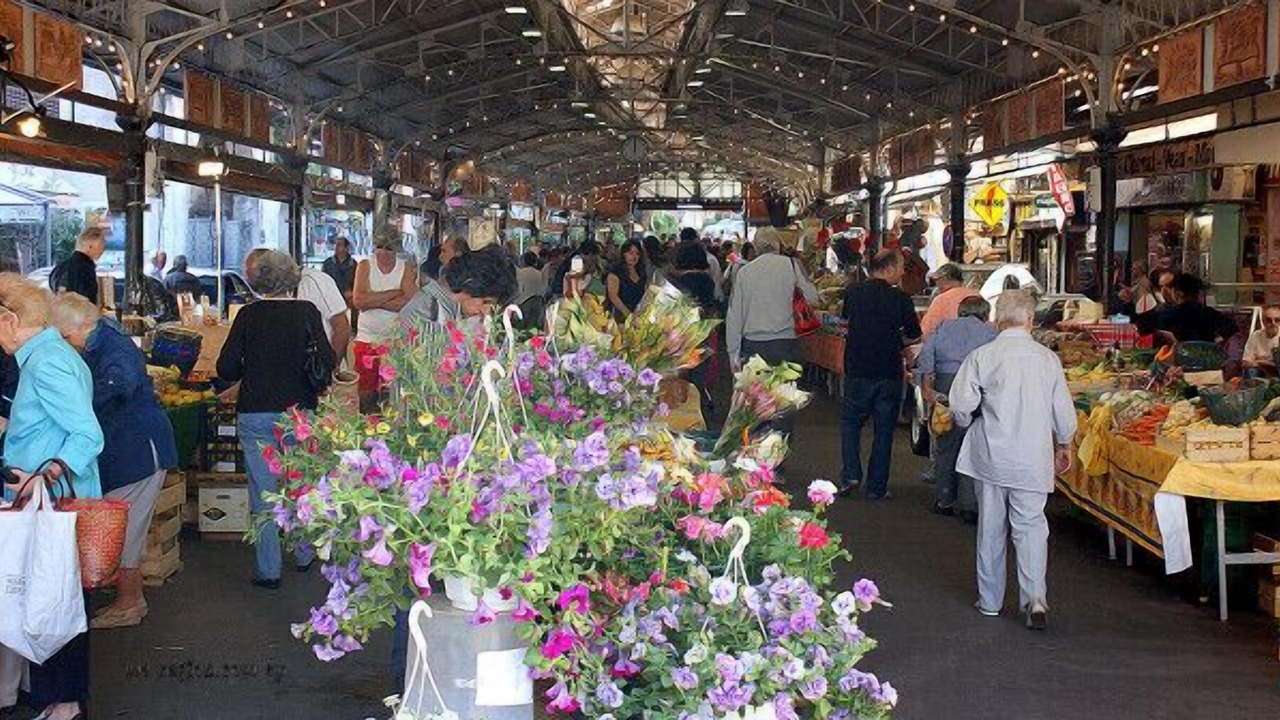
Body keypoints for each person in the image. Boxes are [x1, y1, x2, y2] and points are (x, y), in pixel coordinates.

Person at [0, 273, 103, 720]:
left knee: (50, 597)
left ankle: (63, 703)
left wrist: (46, 471)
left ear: (8, 319)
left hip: (51, 502)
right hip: (49, 501)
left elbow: (87, 434)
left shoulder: (47, 363)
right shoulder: (49, 354)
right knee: (52, 595)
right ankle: (59, 700)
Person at [950, 290, 1077, 630]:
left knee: (991, 528)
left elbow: (960, 405)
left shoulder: (983, 356)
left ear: (996, 320)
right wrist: (1064, 444)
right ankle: (1034, 598)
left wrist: (968, 422)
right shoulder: (1047, 359)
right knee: (1031, 528)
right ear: (1030, 320)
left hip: (991, 455)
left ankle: (990, 601)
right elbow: (1063, 413)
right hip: (1033, 457)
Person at [50, 293, 177, 629]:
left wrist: (76, 408)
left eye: (64, 337)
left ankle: (130, 603)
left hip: (138, 449)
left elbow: (117, 385)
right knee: (124, 528)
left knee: (125, 531)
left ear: (80, 326)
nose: (65, 345)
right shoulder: (98, 339)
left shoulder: (114, 347)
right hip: (126, 448)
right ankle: (129, 600)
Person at [217, 251, 333, 590]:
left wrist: (252, 366)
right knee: (299, 484)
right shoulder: (307, 313)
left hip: (255, 411)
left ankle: (268, 570)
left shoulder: (248, 316)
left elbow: (226, 368)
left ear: (258, 280)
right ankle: (302, 553)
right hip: (299, 412)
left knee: (263, 492)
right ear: (292, 279)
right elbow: (325, 359)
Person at [839, 249, 922, 500]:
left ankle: (851, 474)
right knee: (884, 429)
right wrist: (895, 339)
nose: (902, 272)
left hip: (857, 367)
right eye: (900, 267)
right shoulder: (901, 299)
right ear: (887, 269)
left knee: (851, 424)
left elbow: (844, 326)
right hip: (887, 371)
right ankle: (877, 486)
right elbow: (915, 335)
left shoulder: (853, 293)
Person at [916, 296, 996, 521]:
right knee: (975, 444)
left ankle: (945, 499)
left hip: (945, 385)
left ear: (960, 311)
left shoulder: (942, 328)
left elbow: (926, 357)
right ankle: (970, 505)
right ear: (985, 314)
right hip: (978, 389)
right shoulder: (991, 333)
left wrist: (927, 388)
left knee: (946, 443)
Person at [246, 249, 351, 365]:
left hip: (320, 370)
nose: (256, 283)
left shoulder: (315, 281)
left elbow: (341, 326)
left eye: (258, 275)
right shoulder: (272, 293)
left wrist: (331, 367)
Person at [353, 233, 418, 410]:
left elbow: (411, 303)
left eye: (388, 248)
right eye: (379, 247)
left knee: (390, 389)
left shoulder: (405, 268)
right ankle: (366, 423)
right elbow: (358, 301)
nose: (383, 252)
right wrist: (395, 292)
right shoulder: (365, 265)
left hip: (395, 339)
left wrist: (372, 300)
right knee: (365, 390)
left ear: (396, 250)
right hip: (366, 337)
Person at [668, 241, 720, 420]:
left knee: (683, 374)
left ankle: (684, 413)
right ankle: (699, 412)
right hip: (703, 331)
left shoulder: (678, 281)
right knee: (700, 374)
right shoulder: (707, 281)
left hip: (682, 333)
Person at [1153, 273, 1237, 346]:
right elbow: (1232, 328)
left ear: (1178, 292)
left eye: (1171, 288)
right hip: (1205, 358)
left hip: (1177, 360)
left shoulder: (1166, 315)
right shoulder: (1207, 312)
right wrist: (1214, 344)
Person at [918, 263, 980, 338]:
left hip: (949, 344)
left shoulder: (941, 300)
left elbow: (927, 331)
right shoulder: (976, 296)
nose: (936, 284)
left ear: (943, 279)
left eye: (936, 280)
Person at [49, 227, 106, 305]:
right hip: (80, 315)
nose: (103, 250)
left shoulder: (58, 268)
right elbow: (87, 304)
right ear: (90, 247)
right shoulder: (85, 270)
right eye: (102, 246)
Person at [605, 239, 648, 321]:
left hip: (637, 316)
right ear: (623, 254)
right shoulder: (615, 272)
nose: (634, 257)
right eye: (630, 253)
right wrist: (629, 316)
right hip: (617, 317)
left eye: (637, 254)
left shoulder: (641, 272)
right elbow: (613, 297)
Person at [1242, 304, 1280, 375]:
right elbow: (1245, 362)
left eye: (1277, 320)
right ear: (1263, 321)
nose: (1273, 323)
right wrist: (1260, 364)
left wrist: (1261, 362)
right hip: (1259, 371)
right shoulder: (1255, 336)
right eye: (1269, 320)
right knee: (1251, 372)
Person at [322, 237, 357, 307]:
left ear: (346, 248)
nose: (336, 247)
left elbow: (357, 282)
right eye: (335, 244)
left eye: (339, 245)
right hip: (331, 298)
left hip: (348, 300)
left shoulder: (354, 264)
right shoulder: (328, 263)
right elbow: (323, 281)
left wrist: (352, 293)